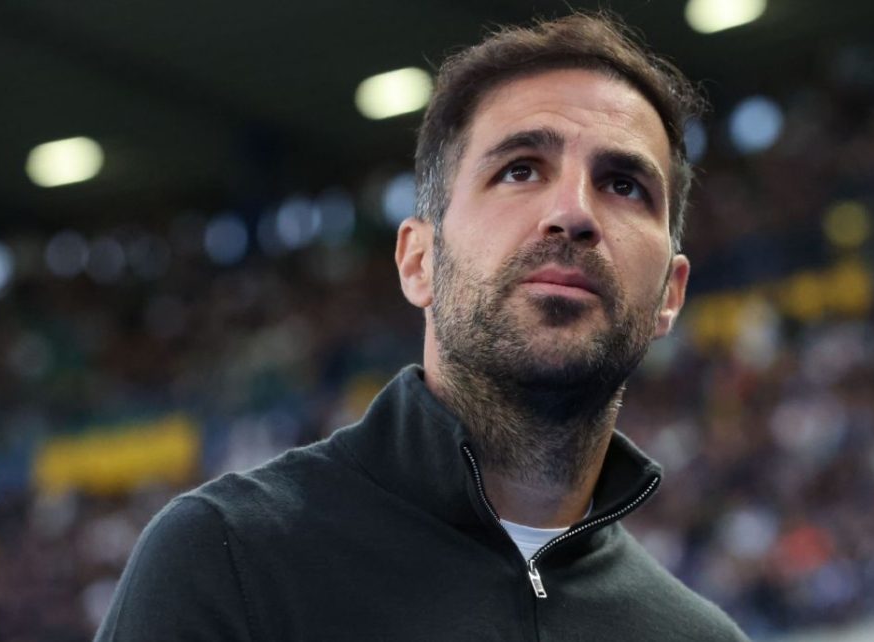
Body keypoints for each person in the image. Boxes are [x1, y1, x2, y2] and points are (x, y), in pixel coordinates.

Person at [95, 12, 749, 642]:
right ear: (418, 261)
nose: (573, 212)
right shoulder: (227, 559)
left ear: (670, 294)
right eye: (520, 169)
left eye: (624, 185)